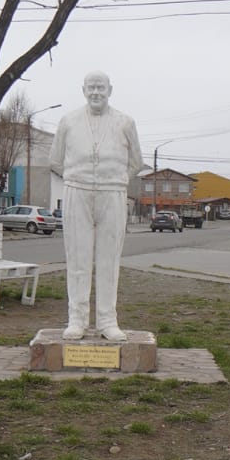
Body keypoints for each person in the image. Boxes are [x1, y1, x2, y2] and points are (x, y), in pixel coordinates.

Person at [49, 71, 144, 341]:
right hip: (77, 192)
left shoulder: (125, 122)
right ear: (83, 90)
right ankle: (77, 319)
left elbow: (136, 162)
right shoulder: (68, 121)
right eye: (91, 87)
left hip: (112, 193)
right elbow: (55, 160)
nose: (96, 92)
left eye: (100, 87)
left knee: (108, 260)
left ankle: (107, 321)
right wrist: (76, 177)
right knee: (77, 259)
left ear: (110, 90)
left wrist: (115, 179)